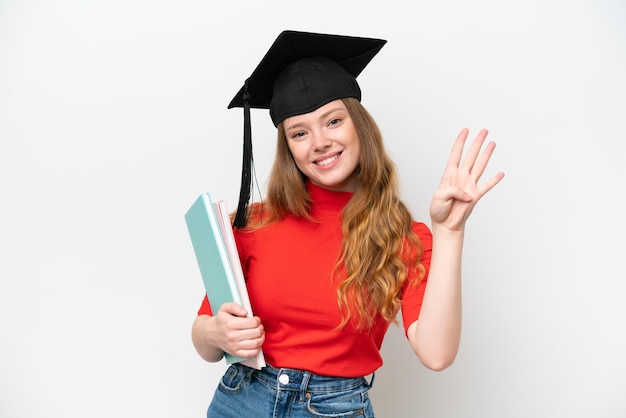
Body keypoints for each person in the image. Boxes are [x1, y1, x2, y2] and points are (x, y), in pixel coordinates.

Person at [191, 30, 504, 418]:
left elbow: (436, 354)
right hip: (240, 400)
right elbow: (205, 334)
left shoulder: (403, 238)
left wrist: (450, 233)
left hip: (332, 409)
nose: (319, 142)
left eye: (333, 121)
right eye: (300, 133)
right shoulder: (254, 221)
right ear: (289, 148)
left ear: (359, 125)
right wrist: (214, 333)